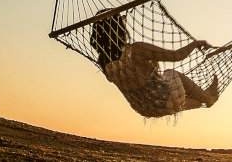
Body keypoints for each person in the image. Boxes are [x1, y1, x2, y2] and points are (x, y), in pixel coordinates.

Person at [89, 9, 219, 118]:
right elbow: (176, 56)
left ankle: (204, 99)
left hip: (143, 108)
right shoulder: (136, 50)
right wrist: (195, 44)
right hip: (164, 99)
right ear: (119, 28)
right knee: (171, 74)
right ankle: (208, 98)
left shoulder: (103, 62)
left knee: (190, 102)